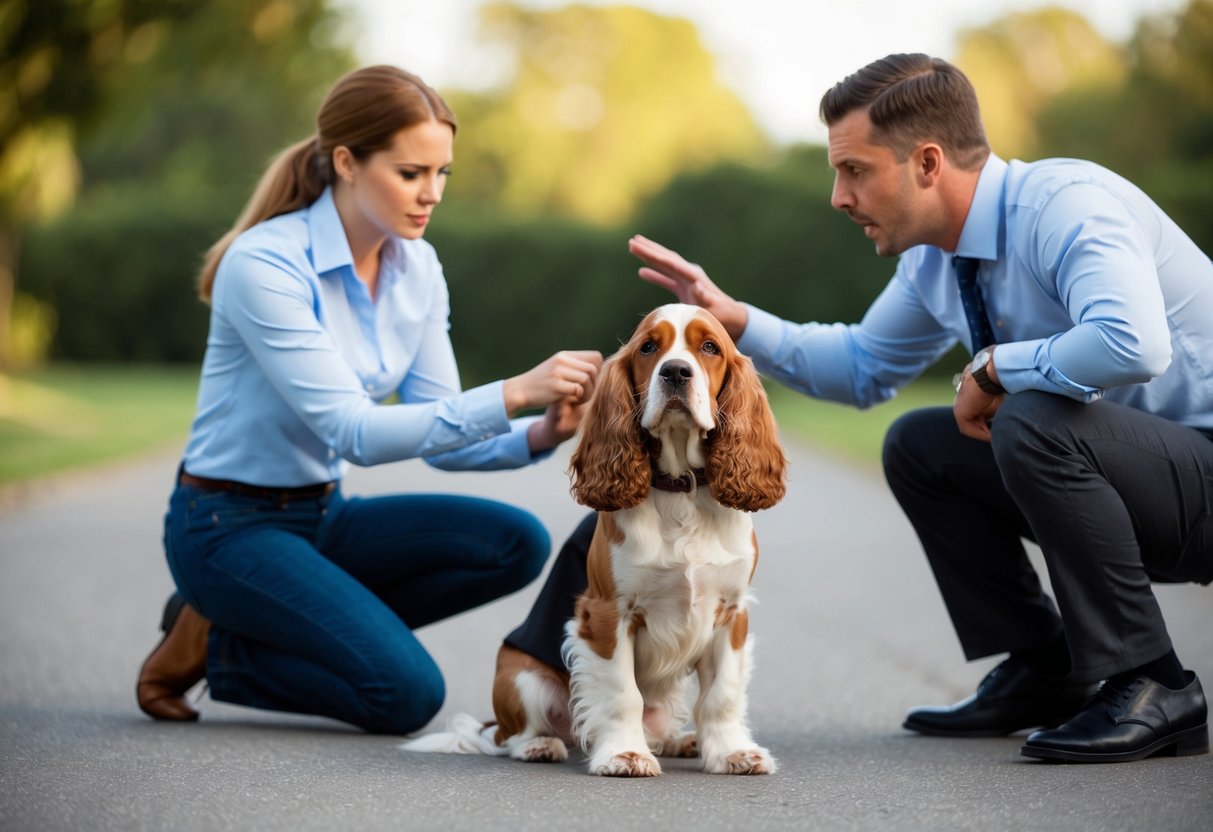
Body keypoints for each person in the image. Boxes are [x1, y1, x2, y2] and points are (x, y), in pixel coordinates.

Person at [626, 53, 1211, 764]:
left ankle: (1153, 682)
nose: (838, 196)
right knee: (920, 444)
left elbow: (1133, 343)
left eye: (854, 170)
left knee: (1028, 416)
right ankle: (1046, 669)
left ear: (927, 163)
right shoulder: (936, 257)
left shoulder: (1065, 205)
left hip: (1199, 473)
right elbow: (863, 368)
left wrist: (995, 368)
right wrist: (734, 321)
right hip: (1144, 484)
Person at [135, 65, 602, 735]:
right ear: (348, 163)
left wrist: (538, 432)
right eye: (411, 173)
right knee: (404, 695)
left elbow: (444, 435)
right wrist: (515, 391)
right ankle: (214, 642)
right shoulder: (265, 264)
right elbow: (354, 431)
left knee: (514, 543)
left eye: (442, 173)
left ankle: (291, 617)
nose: (431, 193)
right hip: (224, 527)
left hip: (323, 517)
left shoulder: (418, 268)